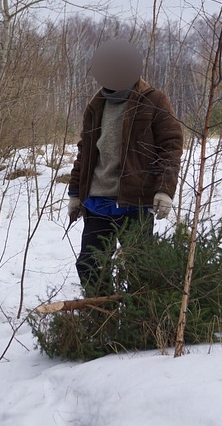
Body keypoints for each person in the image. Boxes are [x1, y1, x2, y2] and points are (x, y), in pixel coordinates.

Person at [67, 39, 183, 296]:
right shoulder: (96, 105)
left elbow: (170, 147)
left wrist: (164, 190)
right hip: (97, 202)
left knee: (139, 268)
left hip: (135, 202)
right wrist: (75, 193)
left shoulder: (153, 100)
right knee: (90, 264)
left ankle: (139, 324)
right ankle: (102, 317)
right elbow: (85, 151)